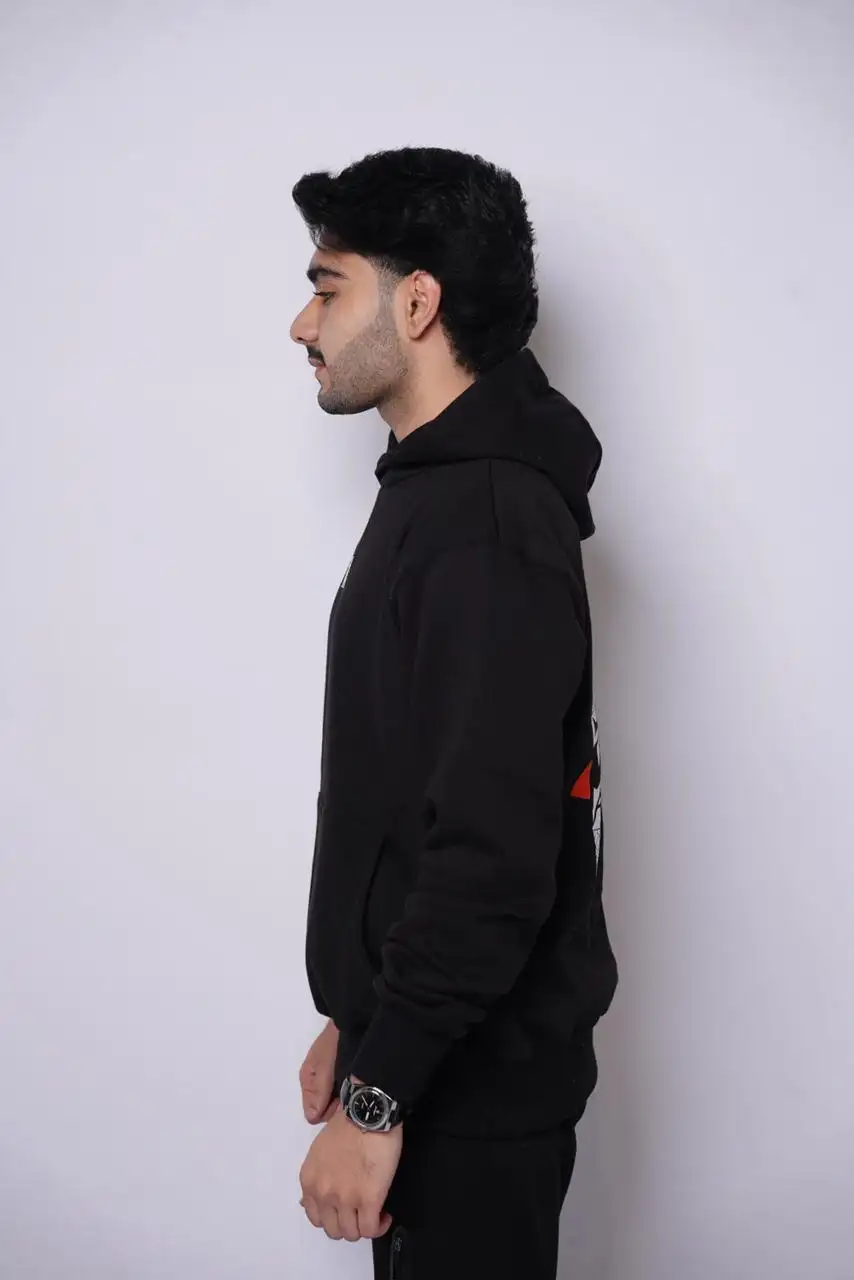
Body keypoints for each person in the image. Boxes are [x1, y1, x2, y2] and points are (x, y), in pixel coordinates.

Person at [289, 146, 618, 1280]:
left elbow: (492, 859)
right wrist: (361, 1014)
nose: (302, 323)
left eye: (329, 288)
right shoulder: (437, 493)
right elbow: (413, 796)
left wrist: (379, 1094)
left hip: (471, 1095)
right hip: (433, 1064)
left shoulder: (486, 523)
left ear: (417, 302)